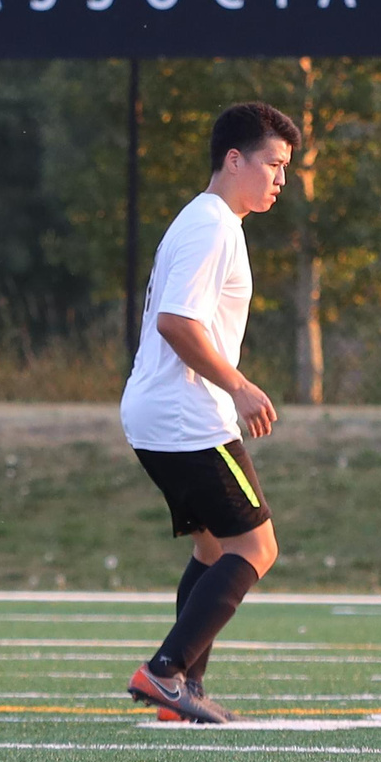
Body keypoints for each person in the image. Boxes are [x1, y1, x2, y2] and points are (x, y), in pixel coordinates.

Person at [119, 101, 299, 724]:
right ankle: (166, 673)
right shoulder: (212, 223)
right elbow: (176, 321)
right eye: (273, 164)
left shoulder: (212, 221)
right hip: (186, 414)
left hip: (157, 412)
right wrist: (240, 385)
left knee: (212, 547)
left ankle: (183, 690)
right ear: (233, 159)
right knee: (257, 546)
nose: (280, 179)